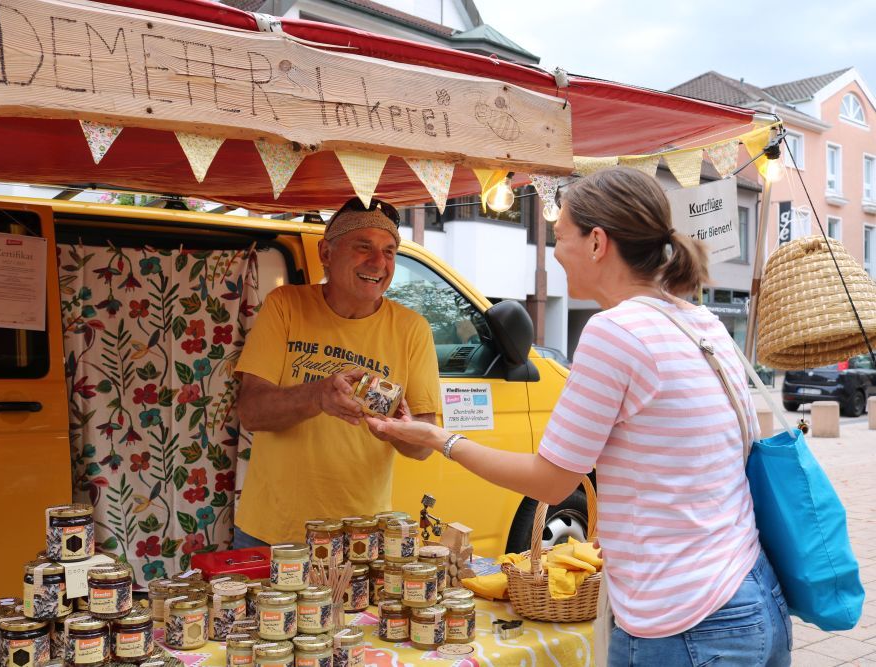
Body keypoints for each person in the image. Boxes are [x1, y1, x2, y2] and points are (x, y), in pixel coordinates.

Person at [366, 168, 792, 667]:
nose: (555, 251)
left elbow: (551, 482)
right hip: (754, 595)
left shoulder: (616, 332)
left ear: (596, 242)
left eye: (560, 235)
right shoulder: (703, 322)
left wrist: (442, 439)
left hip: (684, 620)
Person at [233, 196, 441, 548]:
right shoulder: (286, 305)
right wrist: (318, 396)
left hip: (360, 536)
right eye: (364, 247)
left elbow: (423, 448)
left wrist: (394, 430)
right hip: (270, 532)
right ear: (326, 253)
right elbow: (251, 412)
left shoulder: (412, 329)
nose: (378, 262)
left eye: (389, 251)